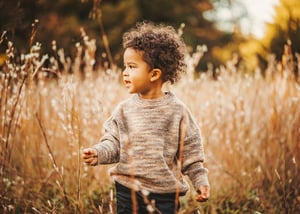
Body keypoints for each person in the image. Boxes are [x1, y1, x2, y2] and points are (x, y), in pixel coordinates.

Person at [82, 21, 210, 214]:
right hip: (127, 190)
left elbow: (191, 153)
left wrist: (199, 179)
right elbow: (114, 142)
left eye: (132, 67)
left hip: (164, 195)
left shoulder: (178, 112)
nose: (124, 73)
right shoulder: (124, 110)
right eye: (124, 66)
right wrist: (99, 152)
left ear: (154, 74)